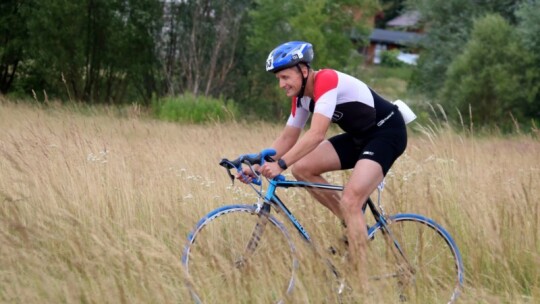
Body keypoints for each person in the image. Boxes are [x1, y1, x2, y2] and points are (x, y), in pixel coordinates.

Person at [241, 41, 408, 288]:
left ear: (303, 70)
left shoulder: (326, 80)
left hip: (387, 133)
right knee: (304, 168)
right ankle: (352, 224)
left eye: (285, 76)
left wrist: (281, 164)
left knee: (352, 200)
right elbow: (288, 137)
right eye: (278, 78)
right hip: (359, 137)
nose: (281, 84)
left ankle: (360, 286)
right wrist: (257, 164)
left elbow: (317, 134)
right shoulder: (301, 98)